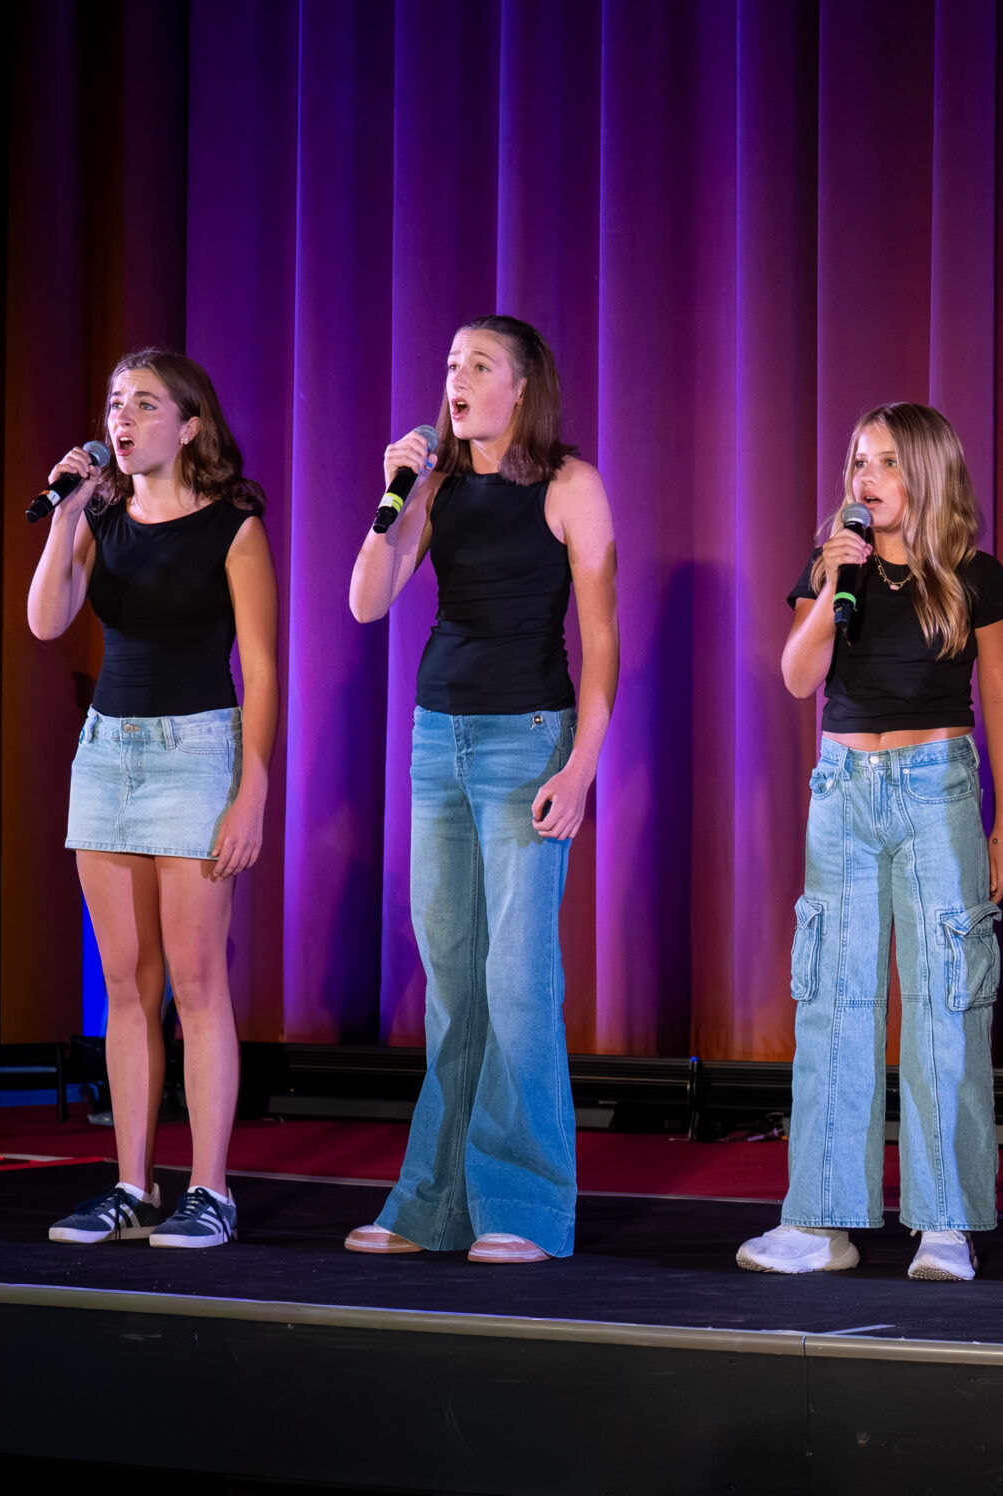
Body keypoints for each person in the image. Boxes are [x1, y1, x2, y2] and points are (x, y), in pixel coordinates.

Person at [343, 315, 618, 1264]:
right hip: (437, 741)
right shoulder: (435, 483)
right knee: (453, 984)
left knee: (519, 982)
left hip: (528, 741)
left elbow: (602, 638)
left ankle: (526, 1210)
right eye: (450, 362)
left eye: (478, 365)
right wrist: (397, 494)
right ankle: (431, 1205)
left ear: (522, 386)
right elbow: (366, 600)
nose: (456, 379)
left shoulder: (570, 484)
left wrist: (582, 763)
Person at [737, 402, 1003, 1282]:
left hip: (938, 788)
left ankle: (944, 1223)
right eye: (859, 462)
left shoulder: (976, 575)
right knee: (834, 1000)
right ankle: (822, 1219)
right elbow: (795, 677)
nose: (866, 478)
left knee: (946, 1003)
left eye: (887, 462)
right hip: (844, 791)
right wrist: (831, 586)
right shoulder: (834, 568)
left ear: (928, 473)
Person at [29, 349, 278, 1251]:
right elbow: (47, 619)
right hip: (106, 755)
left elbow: (262, 668)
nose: (122, 418)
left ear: (190, 424)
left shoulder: (234, 527)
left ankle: (210, 1192)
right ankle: (132, 1183)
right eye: (113, 404)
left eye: (142, 404)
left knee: (198, 982)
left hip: (195, 752)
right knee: (125, 988)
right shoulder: (97, 514)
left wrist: (253, 788)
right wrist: (65, 516)